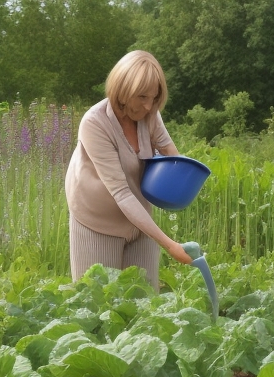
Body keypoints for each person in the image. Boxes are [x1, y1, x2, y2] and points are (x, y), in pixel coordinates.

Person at [65, 50, 192, 291]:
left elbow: (171, 156)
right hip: (98, 221)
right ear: (122, 90)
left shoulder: (149, 114)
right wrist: (170, 245)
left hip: (139, 220)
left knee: (146, 301)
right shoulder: (95, 123)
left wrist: (185, 180)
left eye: (154, 98)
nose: (148, 105)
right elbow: (121, 193)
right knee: (97, 301)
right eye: (142, 96)